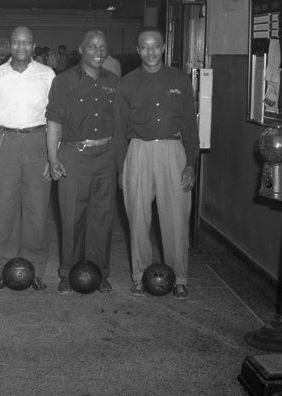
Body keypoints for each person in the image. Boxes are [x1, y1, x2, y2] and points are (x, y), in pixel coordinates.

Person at [114, 27, 199, 300]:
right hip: (138, 151)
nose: (150, 51)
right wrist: (121, 168)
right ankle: (140, 275)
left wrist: (191, 163)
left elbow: (190, 125)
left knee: (176, 218)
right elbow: (118, 131)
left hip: (173, 152)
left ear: (164, 48)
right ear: (138, 50)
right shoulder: (125, 84)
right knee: (137, 218)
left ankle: (180, 277)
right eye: (144, 47)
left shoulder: (181, 80)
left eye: (155, 46)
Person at [0, 26, 55, 291]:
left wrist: (52, 156)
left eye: (27, 42)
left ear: (34, 46)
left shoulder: (47, 75)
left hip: (38, 143)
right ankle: (3, 270)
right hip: (5, 144)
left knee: (37, 212)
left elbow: (55, 118)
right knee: (4, 211)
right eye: (16, 42)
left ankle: (34, 270)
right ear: (8, 46)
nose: (21, 46)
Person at [46, 30, 118, 295]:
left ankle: (99, 272)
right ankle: (67, 272)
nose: (98, 52)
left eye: (102, 47)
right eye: (92, 47)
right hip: (74, 154)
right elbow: (54, 121)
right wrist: (53, 158)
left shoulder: (113, 80)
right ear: (81, 50)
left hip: (106, 155)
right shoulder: (64, 81)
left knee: (103, 218)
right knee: (72, 217)